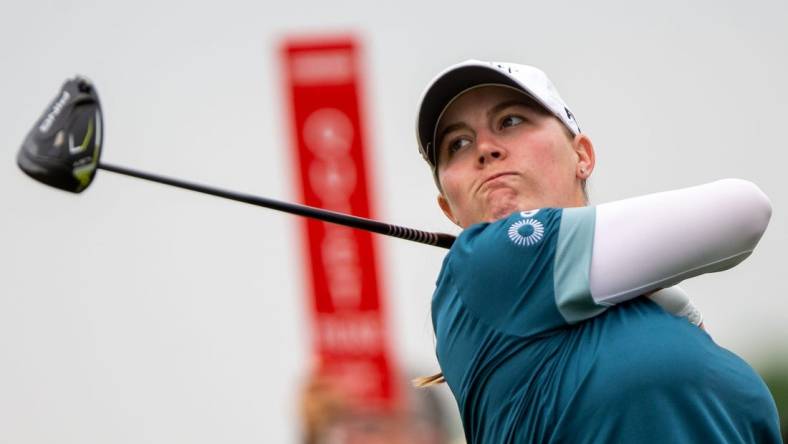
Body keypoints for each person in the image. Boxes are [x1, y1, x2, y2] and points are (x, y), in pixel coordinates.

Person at [413, 59, 782, 443]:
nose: (485, 149)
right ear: (448, 209)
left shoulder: (662, 319)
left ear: (583, 155)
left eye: (510, 121)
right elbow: (744, 210)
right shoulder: (483, 265)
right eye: (457, 144)